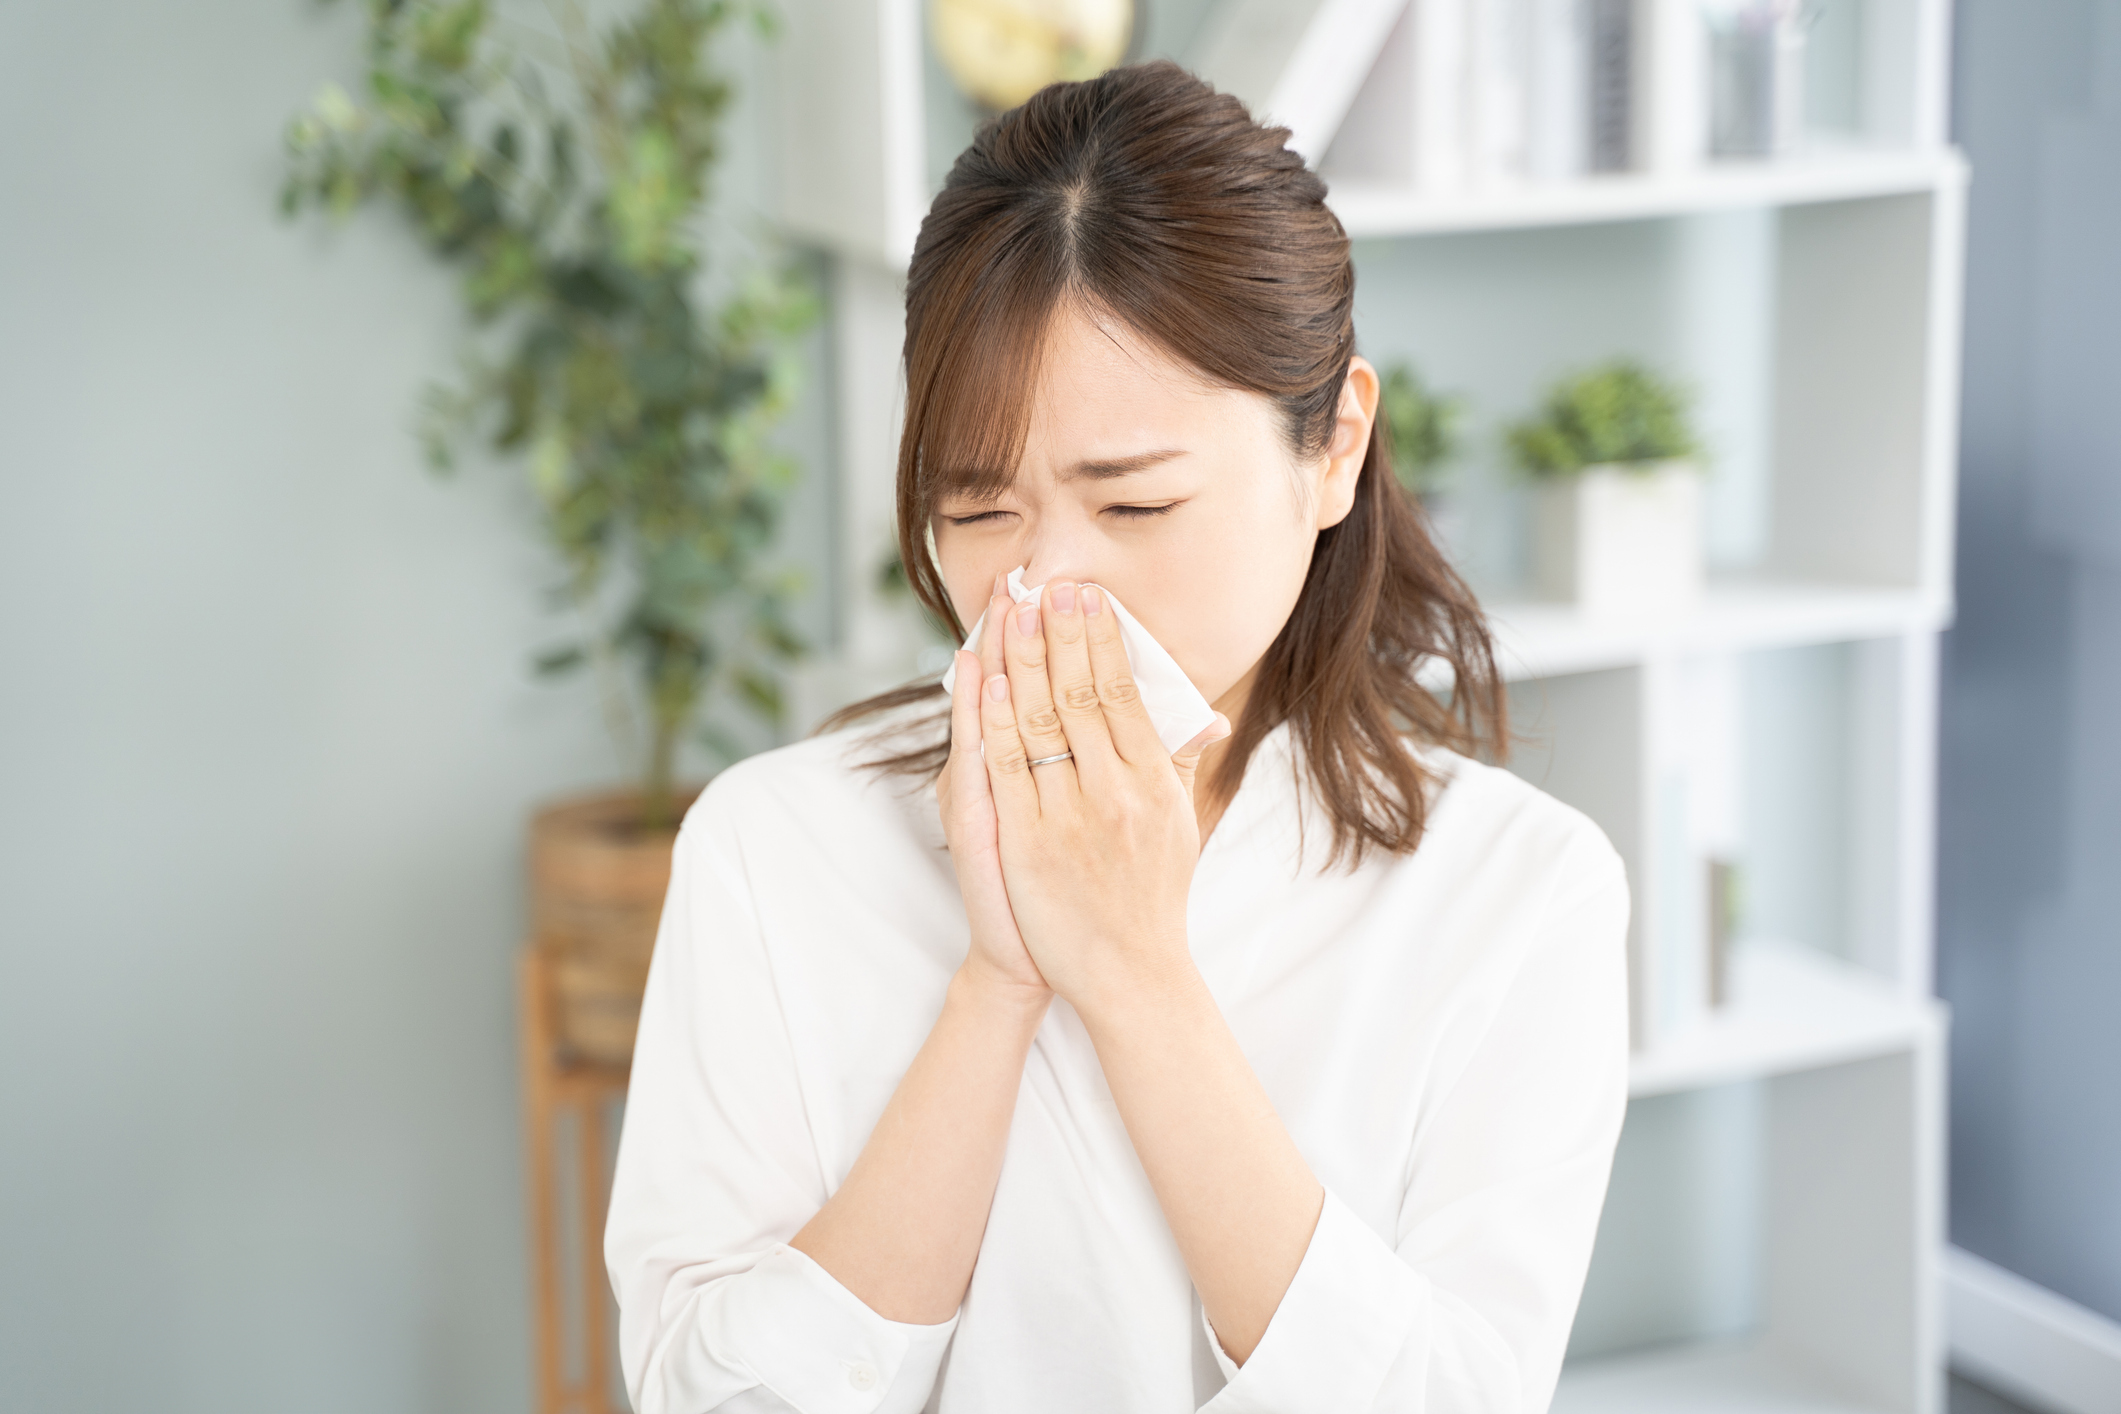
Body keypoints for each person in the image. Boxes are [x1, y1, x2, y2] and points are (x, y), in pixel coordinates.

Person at [605, 60, 1630, 1414]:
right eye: (978, 512)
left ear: (1331, 447)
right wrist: (998, 981)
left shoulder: (1516, 893)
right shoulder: (771, 846)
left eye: (1134, 505)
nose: (1042, 589)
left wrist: (1137, 973)